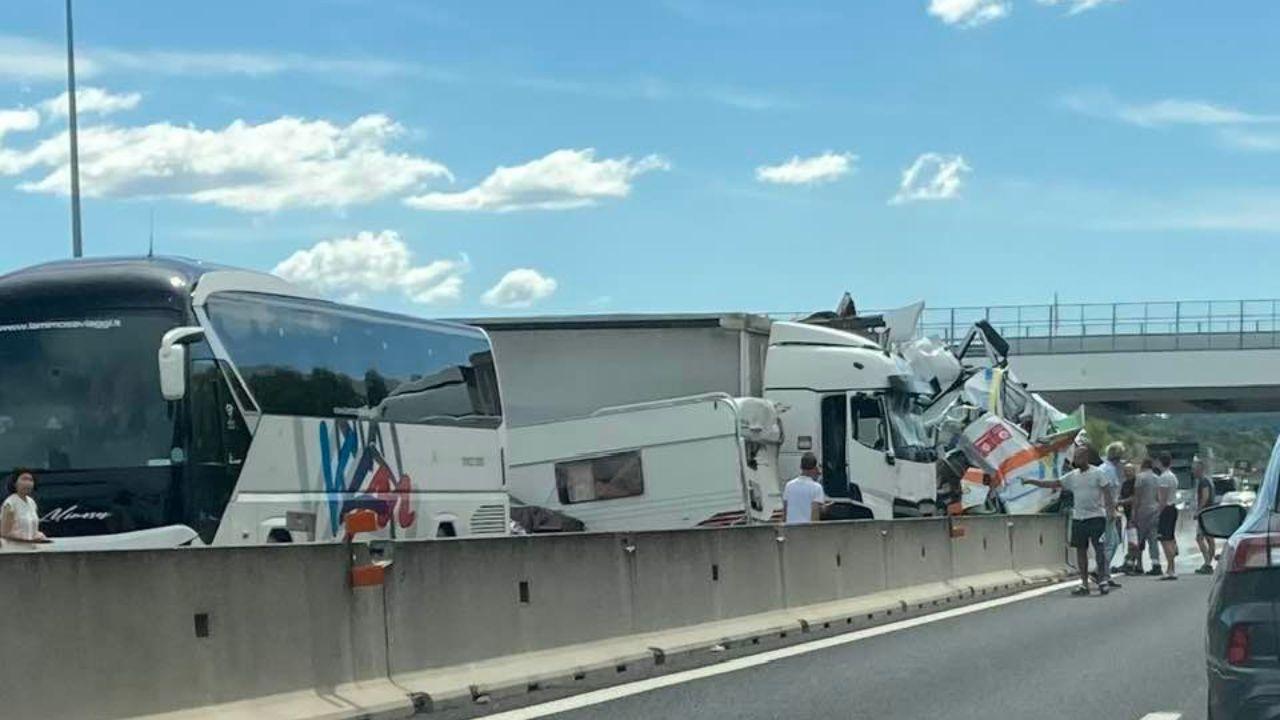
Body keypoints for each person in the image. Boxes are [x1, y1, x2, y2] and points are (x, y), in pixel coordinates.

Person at [1026, 444, 1115, 596]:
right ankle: (1084, 583)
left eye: (1079, 457)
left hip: (1096, 517)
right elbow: (1055, 483)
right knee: (1081, 551)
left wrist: (1110, 511)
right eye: (1075, 458)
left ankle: (1102, 579)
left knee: (1099, 549)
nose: (1076, 460)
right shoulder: (1073, 476)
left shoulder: (1098, 473)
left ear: (1086, 458)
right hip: (1079, 518)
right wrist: (1032, 481)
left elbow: (1107, 492)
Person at [1098, 442, 1125, 588]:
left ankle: (1105, 574)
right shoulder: (1108, 470)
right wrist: (1111, 510)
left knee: (1113, 542)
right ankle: (1101, 571)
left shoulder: (1108, 468)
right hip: (1106, 510)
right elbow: (1107, 492)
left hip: (1107, 509)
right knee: (1109, 543)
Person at [1, 468, 49, 549]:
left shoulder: (31, 502)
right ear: (14, 483)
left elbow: (31, 529)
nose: (28, 483)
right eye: (24, 479)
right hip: (13, 551)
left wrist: (38, 535)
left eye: (31, 480)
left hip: (31, 550)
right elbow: (4, 533)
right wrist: (27, 539)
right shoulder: (10, 503)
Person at [1132, 458, 1163, 576]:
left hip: (1142, 511)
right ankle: (1156, 564)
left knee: (1139, 539)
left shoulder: (1140, 477)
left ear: (1143, 465)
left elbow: (1137, 497)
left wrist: (1133, 514)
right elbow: (1158, 497)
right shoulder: (1157, 478)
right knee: (1153, 539)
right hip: (1155, 511)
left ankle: (1139, 565)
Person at [782, 452, 827, 524]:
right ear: (814, 468)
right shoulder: (817, 487)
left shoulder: (789, 485)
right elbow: (815, 515)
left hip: (790, 530)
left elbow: (785, 513)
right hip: (806, 531)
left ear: (800, 467)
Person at [1155, 451, 1180, 580]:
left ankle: (1170, 569)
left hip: (1166, 509)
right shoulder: (1173, 476)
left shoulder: (1163, 478)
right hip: (1172, 508)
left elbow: (1162, 499)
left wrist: (1158, 513)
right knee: (1169, 538)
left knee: (1165, 540)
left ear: (1160, 462)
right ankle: (1171, 568)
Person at [1192, 458, 1217, 575]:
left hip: (1205, 513)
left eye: (1194, 469)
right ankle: (1208, 563)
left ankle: (1207, 562)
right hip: (1210, 512)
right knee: (1209, 539)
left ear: (1200, 470)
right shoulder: (1208, 480)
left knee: (1200, 538)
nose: (1193, 472)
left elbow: (1205, 496)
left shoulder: (1204, 481)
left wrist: (1199, 511)